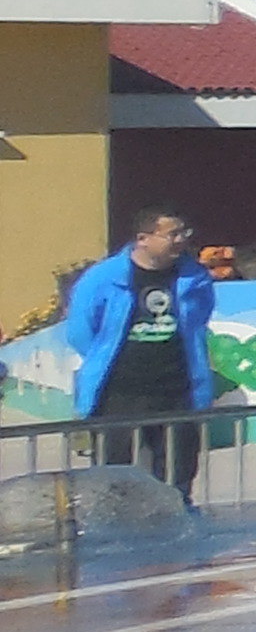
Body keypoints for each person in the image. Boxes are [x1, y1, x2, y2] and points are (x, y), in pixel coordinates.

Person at [63, 209, 215, 500]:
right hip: (119, 393)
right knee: (112, 476)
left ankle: (174, 528)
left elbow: (199, 319)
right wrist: (105, 356)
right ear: (143, 239)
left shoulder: (194, 276)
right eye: (172, 234)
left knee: (177, 473)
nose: (181, 240)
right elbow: (81, 332)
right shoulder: (103, 278)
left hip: (177, 391)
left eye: (184, 233)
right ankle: (114, 529)